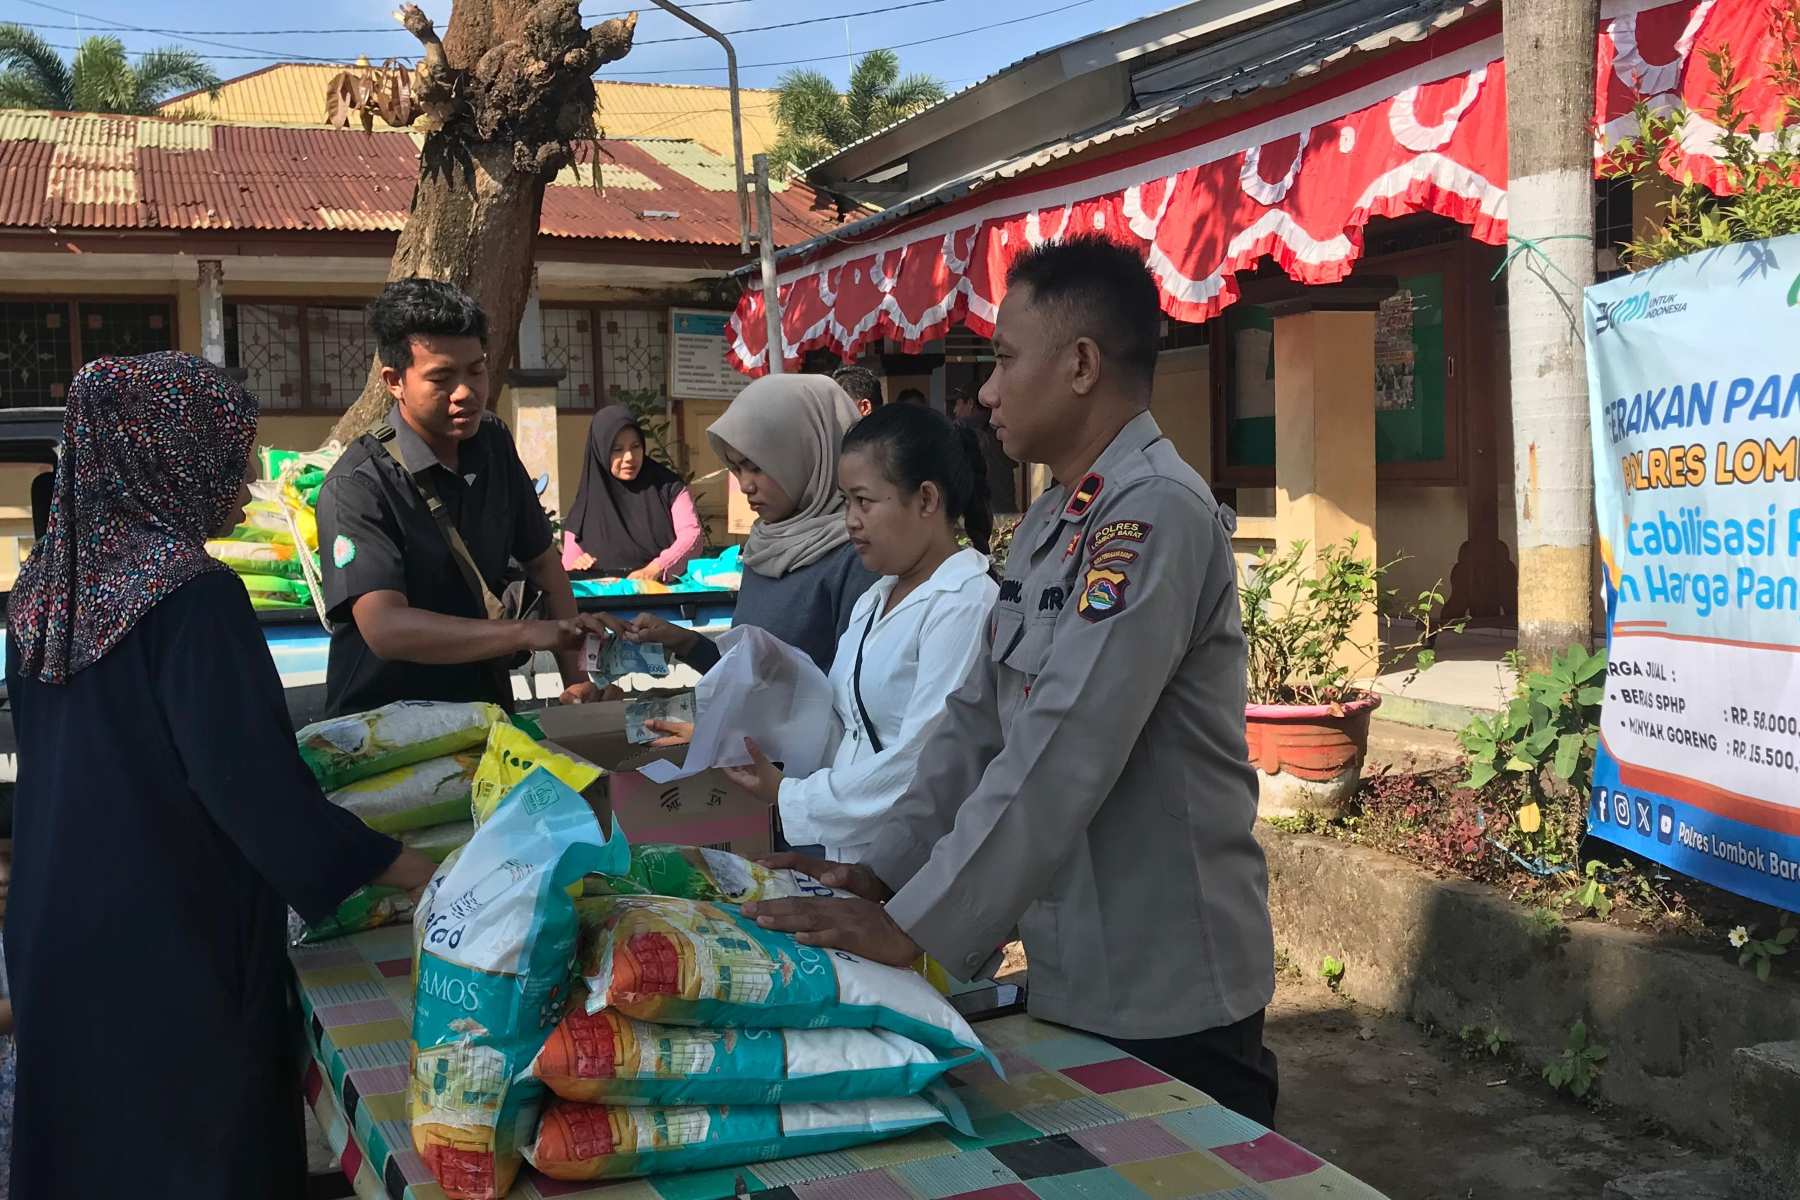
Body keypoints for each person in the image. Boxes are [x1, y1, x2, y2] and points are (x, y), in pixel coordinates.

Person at [744, 236, 1279, 1126]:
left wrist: (917, 927)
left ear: (1078, 365)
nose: (984, 392)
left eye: (1000, 359)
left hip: (1167, 980)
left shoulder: (1150, 518)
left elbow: (1062, 743)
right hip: (1077, 960)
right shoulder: (1051, 523)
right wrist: (881, 871)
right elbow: (975, 724)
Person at [3, 353, 438, 1198]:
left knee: (92, 1152)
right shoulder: (191, 599)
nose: (244, 487)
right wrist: (418, 871)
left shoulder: (42, 596)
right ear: (166, 457)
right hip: (169, 945)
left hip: (55, 930)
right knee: (194, 1155)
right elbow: (259, 798)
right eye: (229, 458)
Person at [720, 403, 998, 863]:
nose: (850, 519)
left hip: (917, 868)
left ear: (927, 500)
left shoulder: (963, 603)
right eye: (846, 501)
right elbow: (847, 727)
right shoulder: (878, 595)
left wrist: (792, 797)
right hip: (854, 858)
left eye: (864, 501)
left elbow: (923, 763)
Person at [316, 279, 606, 717]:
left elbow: (544, 563)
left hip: (486, 714)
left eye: (476, 370)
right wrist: (528, 633)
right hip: (388, 729)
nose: (466, 392)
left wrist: (577, 679)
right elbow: (385, 627)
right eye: (441, 377)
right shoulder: (357, 485)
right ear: (394, 381)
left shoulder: (492, 442)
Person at [621, 374, 877, 674]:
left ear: (809, 454)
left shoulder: (857, 558)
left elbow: (850, 695)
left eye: (757, 468)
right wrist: (683, 642)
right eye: (737, 468)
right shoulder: (764, 547)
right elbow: (743, 672)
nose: (745, 485)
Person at [561, 405, 701, 581]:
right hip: (604, 603)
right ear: (601, 451)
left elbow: (691, 535)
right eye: (617, 449)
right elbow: (569, 565)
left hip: (663, 598)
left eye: (635, 446)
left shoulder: (668, 487)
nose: (629, 457)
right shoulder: (585, 506)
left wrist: (656, 568)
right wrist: (577, 567)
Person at [955, 385, 1019, 515]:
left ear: (970, 403)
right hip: (1006, 513)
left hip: (979, 517)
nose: (955, 410)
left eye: (957, 404)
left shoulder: (961, 430)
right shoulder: (1003, 429)